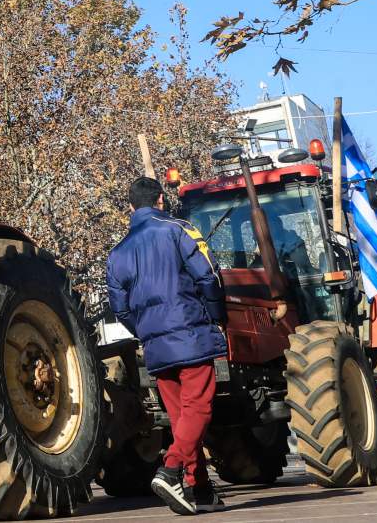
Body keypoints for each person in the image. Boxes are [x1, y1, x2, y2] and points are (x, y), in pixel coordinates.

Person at [107, 176, 228, 516]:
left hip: (156, 346)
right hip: (190, 334)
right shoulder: (179, 229)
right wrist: (218, 317)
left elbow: (120, 309)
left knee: (182, 418)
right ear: (161, 200)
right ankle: (172, 469)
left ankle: (199, 487)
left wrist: (146, 330)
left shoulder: (117, 253)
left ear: (131, 208)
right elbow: (208, 275)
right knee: (199, 409)